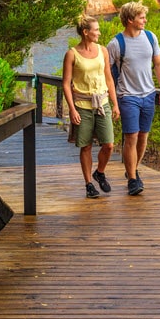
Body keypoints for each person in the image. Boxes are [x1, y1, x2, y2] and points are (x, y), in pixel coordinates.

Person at [107, 1, 160, 196]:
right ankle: (133, 179)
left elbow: (158, 63)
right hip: (127, 96)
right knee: (131, 137)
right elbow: (106, 72)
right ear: (130, 20)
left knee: (143, 137)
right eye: (141, 17)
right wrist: (112, 99)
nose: (145, 20)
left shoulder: (150, 37)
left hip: (148, 94)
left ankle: (134, 170)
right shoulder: (116, 44)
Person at [62, 15, 120, 199]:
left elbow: (109, 78)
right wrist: (71, 109)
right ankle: (88, 184)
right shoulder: (72, 54)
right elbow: (66, 83)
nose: (99, 32)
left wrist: (115, 103)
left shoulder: (103, 50)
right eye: (96, 30)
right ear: (86, 32)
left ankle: (100, 172)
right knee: (85, 146)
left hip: (102, 103)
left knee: (109, 144)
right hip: (82, 105)